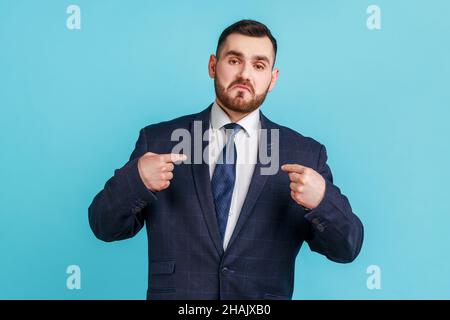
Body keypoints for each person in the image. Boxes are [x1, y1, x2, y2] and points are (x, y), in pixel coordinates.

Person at [88, 19, 363, 300]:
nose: (245, 74)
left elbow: (347, 248)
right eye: (234, 60)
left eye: (259, 65)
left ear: (273, 78)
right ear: (212, 66)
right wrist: (136, 181)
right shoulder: (159, 140)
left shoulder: (304, 154)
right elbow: (104, 226)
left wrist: (322, 201)